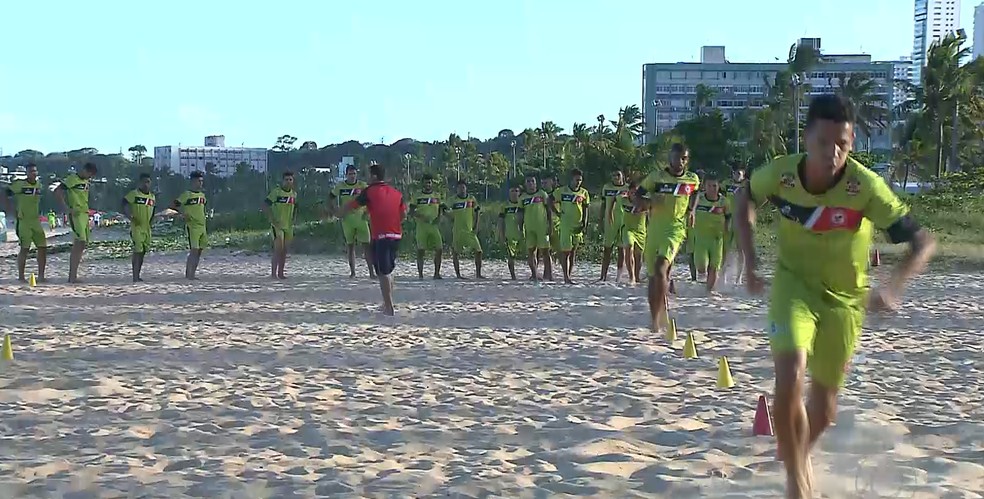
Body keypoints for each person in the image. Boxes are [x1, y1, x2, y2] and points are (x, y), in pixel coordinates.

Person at [735, 94, 935, 499]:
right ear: (806, 139)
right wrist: (750, 259)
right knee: (790, 374)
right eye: (823, 143)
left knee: (824, 410)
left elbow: (923, 242)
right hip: (794, 287)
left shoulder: (866, 187)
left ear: (852, 142)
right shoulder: (781, 174)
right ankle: (797, 484)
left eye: (842, 144)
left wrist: (893, 287)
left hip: (845, 301)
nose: (833, 153)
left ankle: (796, 455)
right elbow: (743, 198)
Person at [635, 143, 699, 333]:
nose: (680, 161)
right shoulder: (656, 177)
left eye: (684, 158)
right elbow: (637, 196)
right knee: (653, 277)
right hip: (654, 230)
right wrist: (649, 202)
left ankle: (662, 312)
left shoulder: (692, 179)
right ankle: (655, 318)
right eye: (677, 157)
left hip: (675, 230)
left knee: (661, 268)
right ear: (670, 158)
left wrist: (691, 210)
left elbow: (696, 192)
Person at [340, 163, 407, 316]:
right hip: (396, 235)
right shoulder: (396, 193)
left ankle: (388, 307)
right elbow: (403, 215)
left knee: (383, 272)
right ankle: (387, 303)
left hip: (381, 236)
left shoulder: (369, 191)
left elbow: (352, 205)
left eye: (369, 175)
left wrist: (338, 213)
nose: (367, 178)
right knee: (388, 270)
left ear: (374, 176)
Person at [3, 163, 47, 283]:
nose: (33, 173)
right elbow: (5, 192)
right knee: (25, 248)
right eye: (31, 171)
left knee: (42, 248)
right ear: (27, 173)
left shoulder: (39, 184)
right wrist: (10, 210)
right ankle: (21, 277)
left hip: (36, 220)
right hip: (23, 221)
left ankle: (41, 276)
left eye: (35, 171)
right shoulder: (20, 184)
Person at [55, 162, 98, 284]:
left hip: (85, 213)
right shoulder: (72, 179)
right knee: (79, 242)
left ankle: (74, 275)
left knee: (82, 244)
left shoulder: (86, 181)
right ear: (84, 170)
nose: (90, 177)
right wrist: (66, 208)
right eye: (89, 174)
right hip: (76, 214)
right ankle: (72, 276)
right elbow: (57, 191)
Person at [330, 165, 374, 278]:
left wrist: (368, 212)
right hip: (347, 220)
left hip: (361, 219)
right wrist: (335, 211)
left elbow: (372, 198)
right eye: (350, 174)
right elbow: (331, 197)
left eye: (354, 174)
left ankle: (371, 272)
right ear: (346, 175)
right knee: (350, 246)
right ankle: (353, 272)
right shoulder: (340, 186)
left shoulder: (362, 185)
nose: (352, 176)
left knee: (367, 246)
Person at [692, 176, 730, 293]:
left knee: (714, 267)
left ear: (719, 187)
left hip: (717, 238)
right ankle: (703, 281)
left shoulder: (724, 201)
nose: (712, 189)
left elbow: (728, 217)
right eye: (709, 186)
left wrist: (727, 229)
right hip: (701, 237)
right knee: (701, 267)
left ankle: (709, 294)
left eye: (714, 186)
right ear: (704, 186)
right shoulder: (699, 199)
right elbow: (690, 210)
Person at [553, 169, 590, 284]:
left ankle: (569, 274)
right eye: (576, 180)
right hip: (566, 225)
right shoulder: (562, 191)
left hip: (577, 225)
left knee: (573, 251)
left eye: (580, 180)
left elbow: (586, 208)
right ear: (571, 179)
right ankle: (566, 276)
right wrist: (557, 212)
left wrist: (585, 222)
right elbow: (550, 200)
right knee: (566, 251)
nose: (578, 182)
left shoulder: (584, 193)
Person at [171, 171, 208, 280]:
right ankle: (189, 274)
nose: (200, 183)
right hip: (192, 226)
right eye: (198, 181)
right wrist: (180, 215)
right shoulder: (186, 195)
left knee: (199, 251)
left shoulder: (202, 195)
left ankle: (193, 274)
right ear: (192, 181)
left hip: (202, 226)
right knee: (194, 250)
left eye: (201, 181)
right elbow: (173, 206)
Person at [409, 173, 447, 279]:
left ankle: (436, 274)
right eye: (426, 183)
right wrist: (420, 216)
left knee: (439, 249)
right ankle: (420, 274)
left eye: (429, 183)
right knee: (421, 250)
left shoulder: (437, 196)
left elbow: (442, 209)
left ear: (432, 183)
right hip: (422, 226)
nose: (428, 185)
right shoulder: (417, 196)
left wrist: (439, 217)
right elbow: (411, 211)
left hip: (434, 226)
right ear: (422, 183)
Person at [121, 173, 157, 282]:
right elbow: (124, 203)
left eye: (148, 182)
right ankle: (135, 276)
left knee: (143, 252)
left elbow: (153, 210)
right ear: (140, 182)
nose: (146, 184)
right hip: (136, 227)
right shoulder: (134, 194)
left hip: (147, 227)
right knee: (137, 250)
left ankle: (138, 274)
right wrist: (130, 216)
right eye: (144, 182)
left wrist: (152, 221)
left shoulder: (152, 197)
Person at [518, 174, 553, 281]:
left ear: (536, 183)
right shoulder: (522, 198)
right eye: (528, 181)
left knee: (545, 251)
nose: (530, 184)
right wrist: (520, 227)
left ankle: (548, 274)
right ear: (525, 184)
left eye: (532, 181)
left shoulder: (542, 194)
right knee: (531, 251)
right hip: (529, 228)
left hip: (542, 227)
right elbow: (520, 214)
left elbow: (549, 210)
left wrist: (550, 225)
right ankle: (534, 274)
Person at [448, 180, 484, 279]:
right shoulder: (453, 200)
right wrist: (450, 217)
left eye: (463, 187)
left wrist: (476, 225)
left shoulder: (471, 199)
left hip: (470, 230)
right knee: (456, 252)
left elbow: (477, 212)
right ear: (457, 189)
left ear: (466, 188)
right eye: (459, 188)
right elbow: (445, 210)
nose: (462, 190)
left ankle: (478, 274)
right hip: (458, 230)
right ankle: (458, 274)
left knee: (479, 251)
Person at [264, 171, 297, 279]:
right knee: (278, 249)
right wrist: (272, 219)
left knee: (284, 251)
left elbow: (296, 208)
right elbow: (265, 205)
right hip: (277, 225)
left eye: (290, 180)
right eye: (286, 180)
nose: (288, 182)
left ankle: (281, 273)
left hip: (288, 226)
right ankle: (273, 274)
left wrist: (294, 219)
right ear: (282, 181)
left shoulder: (294, 194)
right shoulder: (276, 193)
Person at [599, 170, 629, 282]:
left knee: (621, 249)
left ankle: (619, 276)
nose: (616, 177)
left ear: (622, 176)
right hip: (609, 221)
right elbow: (603, 204)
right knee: (607, 249)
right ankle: (603, 276)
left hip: (623, 221)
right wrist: (600, 220)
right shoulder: (607, 187)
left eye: (618, 175)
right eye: (613, 175)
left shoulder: (627, 188)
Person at [617, 179, 647, 285]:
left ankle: (637, 277)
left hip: (640, 231)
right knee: (629, 246)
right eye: (632, 192)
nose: (634, 195)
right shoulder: (623, 200)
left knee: (638, 257)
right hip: (627, 229)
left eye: (636, 193)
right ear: (629, 192)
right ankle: (631, 277)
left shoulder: (644, 202)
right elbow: (615, 198)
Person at [722, 165, 748, 285]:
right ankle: (723, 275)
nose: (736, 175)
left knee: (740, 249)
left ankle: (739, 278)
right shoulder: (726, 184)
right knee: (725, 248)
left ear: (744, 175)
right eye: (735, 173)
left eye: (739, 173)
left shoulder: (747, 185)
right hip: (728, 218)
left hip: (741, 219)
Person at [498, 184, 525, 280]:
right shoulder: (505, 206)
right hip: (510, 234)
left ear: (520, 193)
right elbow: (500, 221)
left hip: (523, 234)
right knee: (511, 256)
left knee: (531, 253)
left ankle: (534, 274)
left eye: (516, 191)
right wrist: (501, 234)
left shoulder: (523, 204)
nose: (514, 193)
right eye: (512, 191)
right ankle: (513, 276)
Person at [542, 174, 562, 268]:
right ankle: (547, 272)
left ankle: (566, 272)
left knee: (561, 250)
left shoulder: (558, 193)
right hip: (543, 225)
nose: (544, 185)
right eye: (542, 183)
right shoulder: (541, 194)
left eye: (546, 182)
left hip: (557, 224)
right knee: (545, 250)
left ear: (553, 182)